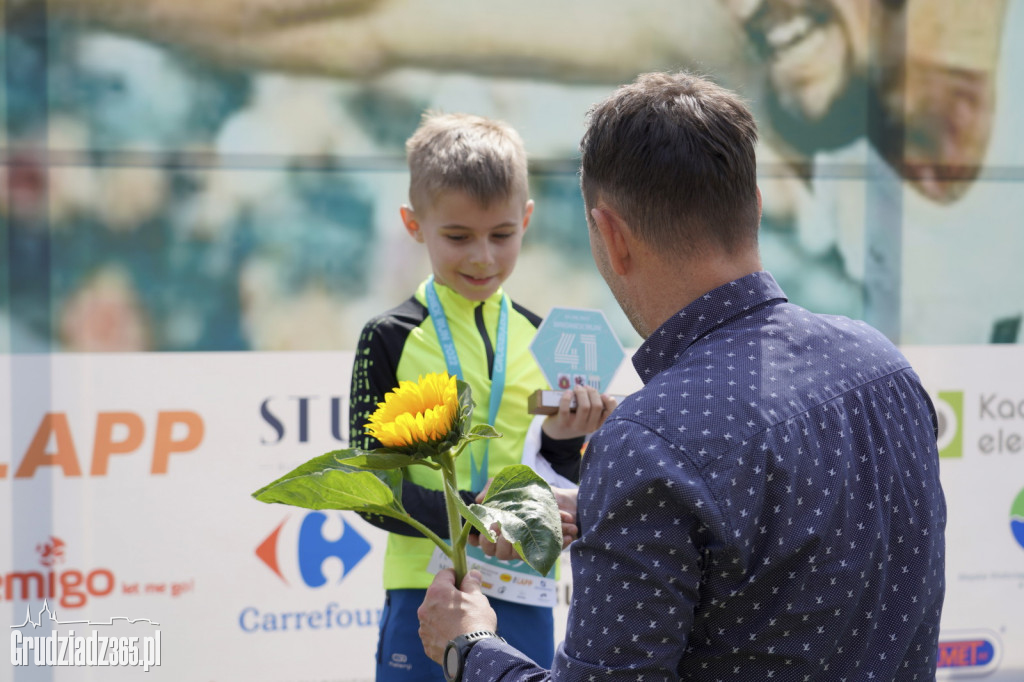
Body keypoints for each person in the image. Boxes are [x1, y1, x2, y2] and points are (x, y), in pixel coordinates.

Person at [417, 71, 947, 680]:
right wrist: (601, 506)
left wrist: (469, 645)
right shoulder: (883, 369)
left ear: (612, 237)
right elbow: (789, 549)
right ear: (754, 206)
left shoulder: (650, 440)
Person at [348, 111, 617, 681]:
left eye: (501, 235)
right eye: (457, 236)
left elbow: (550, 472)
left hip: (524, 585)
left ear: (526, 219)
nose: (482, 258)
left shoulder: (544, 336)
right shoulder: (389, 337)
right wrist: (478, 516)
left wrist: (567, 441)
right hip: (425, 591)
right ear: (413, 224)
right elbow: (370, 491)